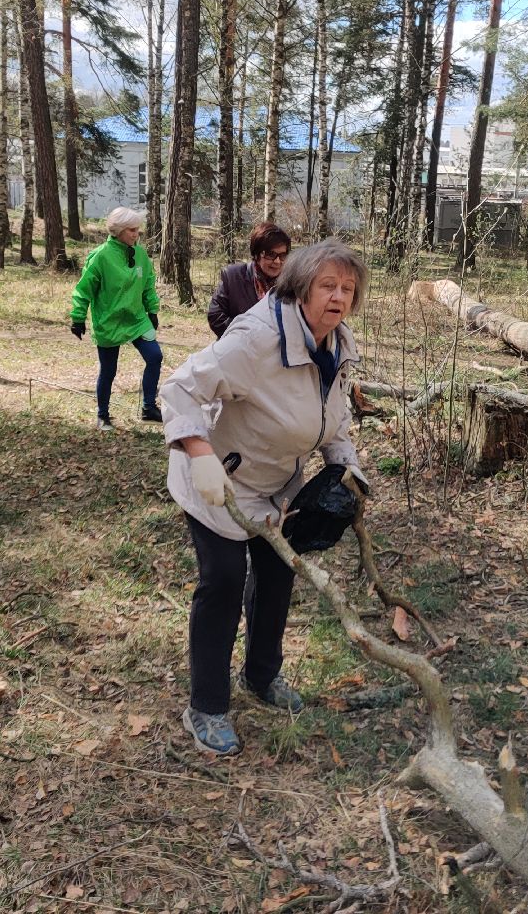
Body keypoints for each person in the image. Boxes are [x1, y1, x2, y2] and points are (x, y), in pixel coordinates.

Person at [162, 239, 369, 755]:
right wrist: (199, 453)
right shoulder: (255, 338)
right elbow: (181, 389)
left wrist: (349, 472)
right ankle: (206, 708)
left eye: (348, 288)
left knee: (277, 575)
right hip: (218, 477)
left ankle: (262, 676)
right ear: (300, 287)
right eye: (327, 285)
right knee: (224, 583)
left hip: (278, 483)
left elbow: (336, 419)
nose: (338, 297)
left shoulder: (337, 345)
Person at [69, 207, 161, 432]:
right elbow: (84, 289)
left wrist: (152, 310)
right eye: (131, 230)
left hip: (136, 318)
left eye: (138, 230)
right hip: (109, 321)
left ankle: (149, 408)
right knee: (109, 370)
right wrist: (78, 318)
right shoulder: (100, 256)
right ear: (118, 230)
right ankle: (103, 416)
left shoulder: (139, 253)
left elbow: (148, 282)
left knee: (155, 356)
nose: (136, 234)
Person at [207, 222, 292, 337]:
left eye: (282, 255)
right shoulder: (233, 276)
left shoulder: (291, 284)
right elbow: (216, 317)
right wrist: (248, 335)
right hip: (237, 348)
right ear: (256, 254)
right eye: (270, 254)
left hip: (276, 351)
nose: (277, 261)